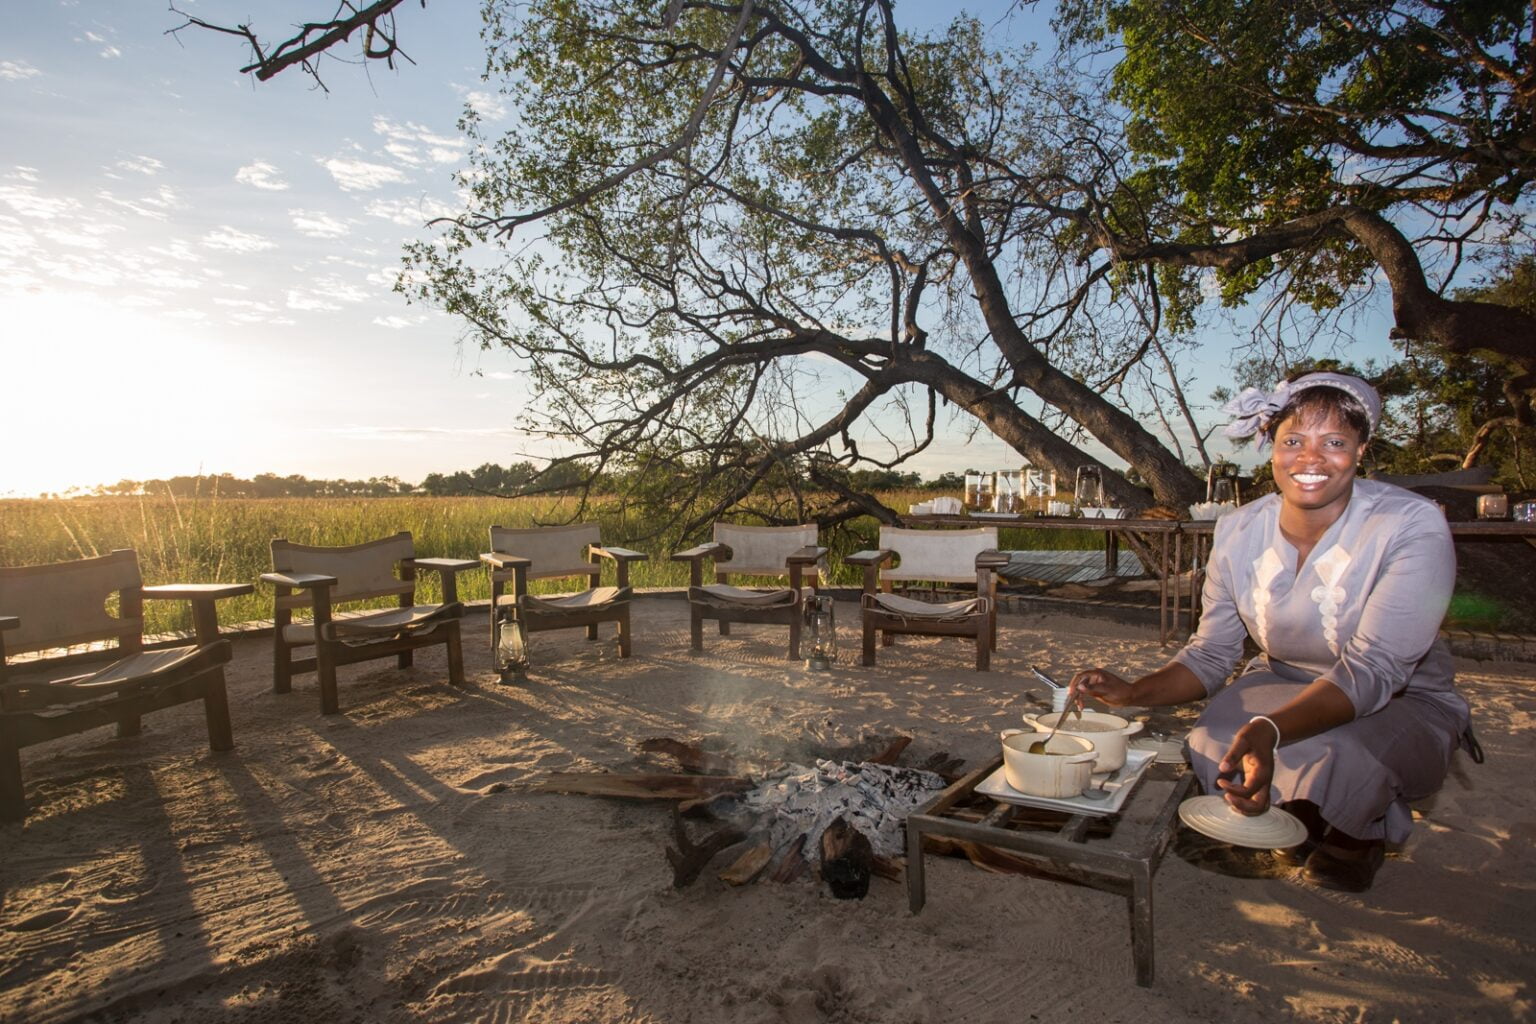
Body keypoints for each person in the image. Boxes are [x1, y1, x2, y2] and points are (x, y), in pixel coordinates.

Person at [1068, 372, 1469, 892]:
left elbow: (1375, 669)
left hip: (1401, 695)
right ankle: (1306, 813)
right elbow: (1212, 652)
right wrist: (1134, 691)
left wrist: (1272, 730)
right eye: (1294, 441)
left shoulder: (1409, 525)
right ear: (1270, 447)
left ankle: (1356, 837)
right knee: (1212, 737)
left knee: (1339, 752)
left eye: (1334, 442)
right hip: (1281, 675)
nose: (1311, 459)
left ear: (1361, 450)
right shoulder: (1238, 530)